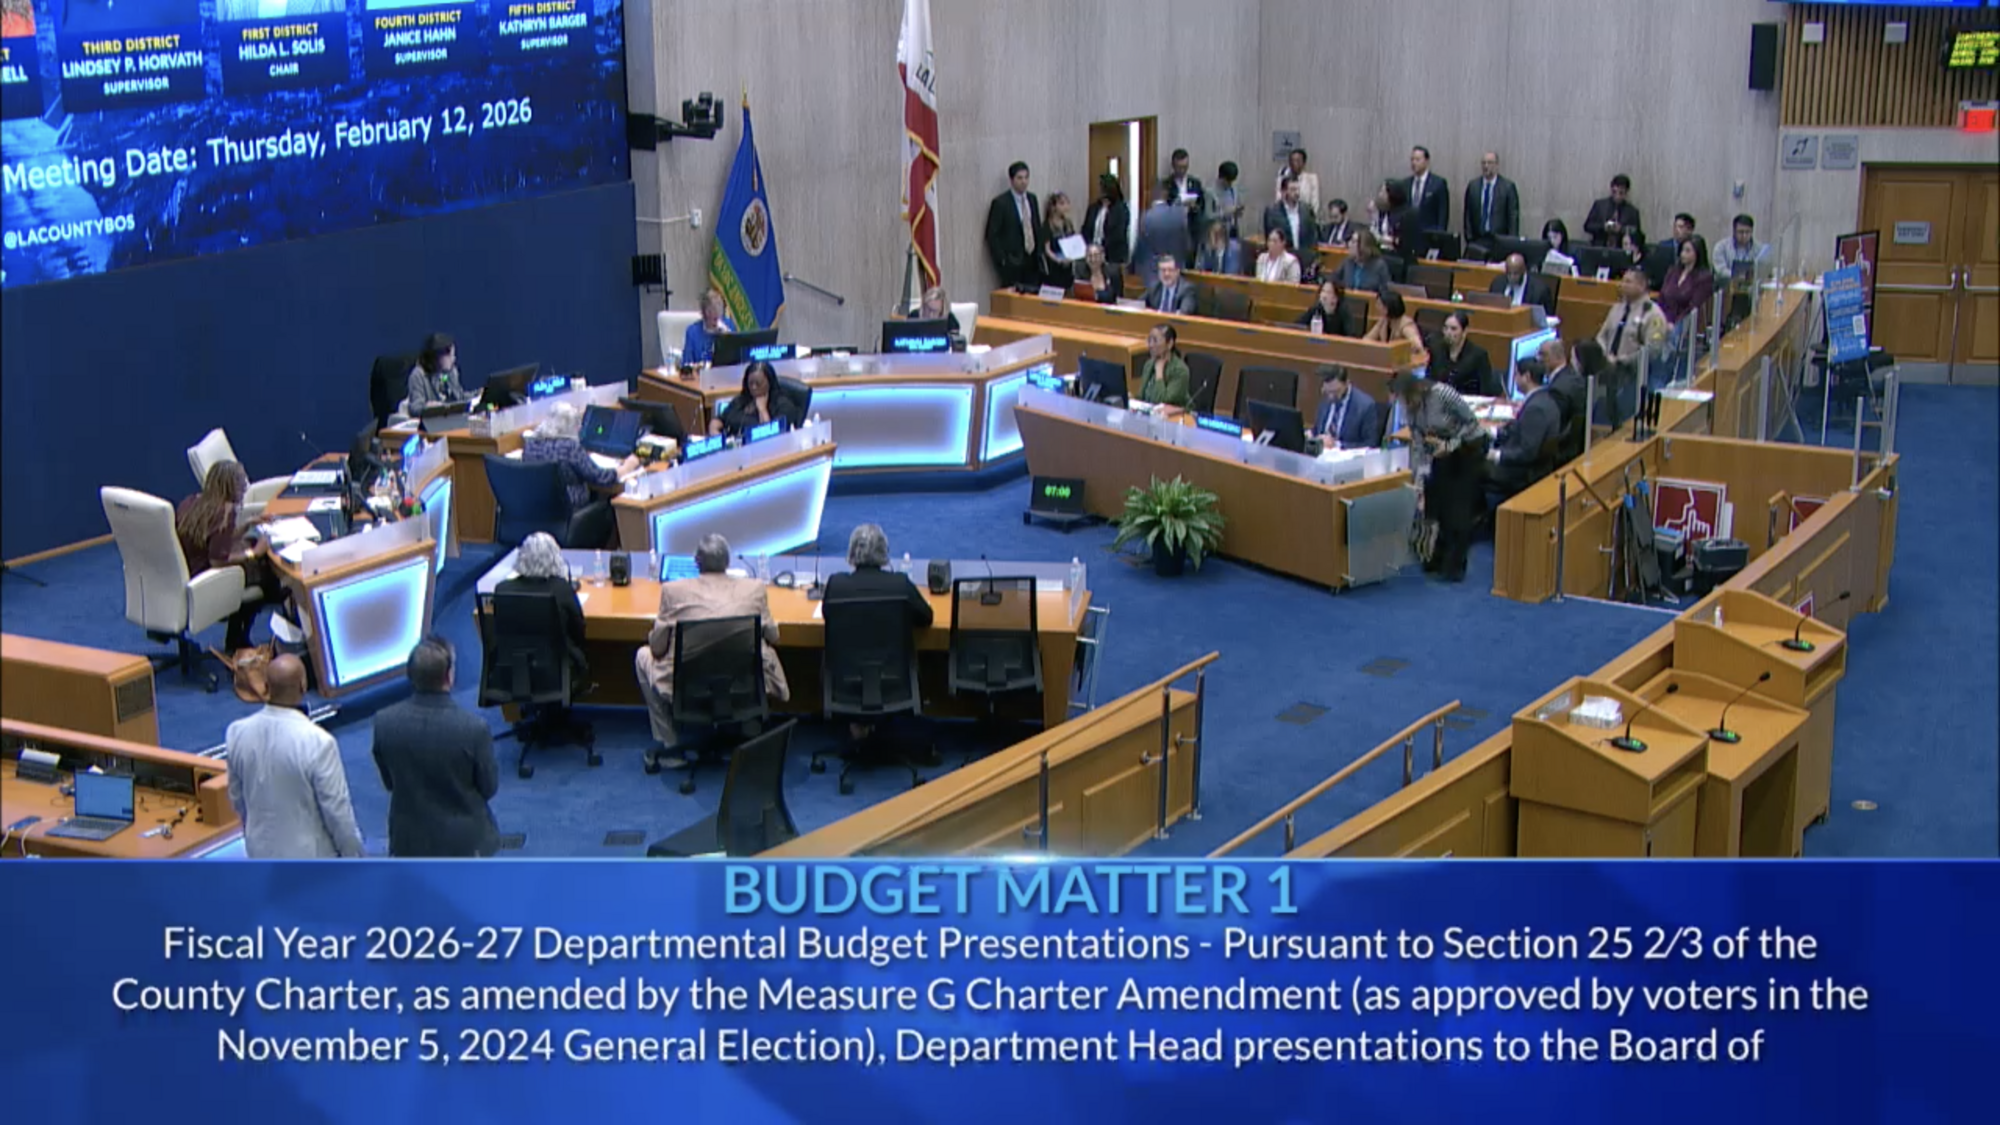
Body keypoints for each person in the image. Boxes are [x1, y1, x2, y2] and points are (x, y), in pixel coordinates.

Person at [633, 534, 788, 762]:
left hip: (689, 688)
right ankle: (750, 728)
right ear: (728, 561)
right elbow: (774, 636)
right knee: (760, 652)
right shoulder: (753, 589)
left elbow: (656, 649)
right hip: (742, 685)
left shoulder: (674, 591)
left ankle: (670, 746)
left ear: (697, 562)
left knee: (642, 656)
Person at [370, 636, 500, 858]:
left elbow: (390, 782)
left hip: (408, 841)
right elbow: (488, 788)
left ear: (410, 675)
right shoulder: (474, 729)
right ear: (448, 677)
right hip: (465, 845)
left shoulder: (383, 722)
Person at [226, 655, 364, 859]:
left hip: (259, 853)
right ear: (303, 685)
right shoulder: (319, 742)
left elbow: (238, 800)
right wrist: (355, 858)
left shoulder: (236, 733)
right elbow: (337, 813)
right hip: (310, 863)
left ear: (265, 686)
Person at [176, 460, 284, 651]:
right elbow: (217, 560)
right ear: (229, 486)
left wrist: (248, 523)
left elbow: (212, 538)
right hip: (208, 577)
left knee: (251, 545)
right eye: (241, 483)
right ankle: (237, 640)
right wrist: (253, 553)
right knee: (268, 574)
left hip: (188, 572)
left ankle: (235, 638)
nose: (245, 487)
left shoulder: (192, 502)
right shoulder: (225, 512)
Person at [1393, 370, 1487, 583]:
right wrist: (1418, 477)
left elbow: (1472, 423)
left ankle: (1455, 565)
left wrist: (1450, 446)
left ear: (1414, 391)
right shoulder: (1411, 409)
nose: (1402, 404)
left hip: (1466, 449)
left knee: (1457, 509)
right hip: (1439, 453)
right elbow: (1417, 444)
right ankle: (1436, 557)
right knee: (1436, 504)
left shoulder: (1442, 393)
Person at [523, 402, 641, 531]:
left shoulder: (530, 445)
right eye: (577, 425)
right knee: (608, 505)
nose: (579, 429)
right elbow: (600, 477)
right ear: (568, 427)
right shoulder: (569, 447)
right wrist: (626, 467)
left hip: (537, 513)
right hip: (570, 510)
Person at [493, 532, 588, 681]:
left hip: (513, 672)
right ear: (554, 559)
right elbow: (579, 630)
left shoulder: (502, 590)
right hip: (556, 672)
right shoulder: (561, 589)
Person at [823, 524, 933, 626]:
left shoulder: (835, 586)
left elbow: (827, 616)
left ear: (851, 552)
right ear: (884, 551)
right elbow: (926, 618)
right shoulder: (901, 585)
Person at [1487, 359, 1563, 497]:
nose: (1514, 379)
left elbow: (1526, 453)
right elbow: (1518, 430)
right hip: (1525, 466)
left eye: (1516, 375)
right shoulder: (1542, 398)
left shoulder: (1536, 409)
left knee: (1469, 466)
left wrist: (1495, 455)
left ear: (1526, 377)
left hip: (1519, 474)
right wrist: (1493, 432)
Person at [983, 161, 1044, 289]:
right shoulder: (1001, 203)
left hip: (1032, 261)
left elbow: (1036, 227)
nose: (1024, 182)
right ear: (1012, 180)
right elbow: (992, 235)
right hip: (1012, 262)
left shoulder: (1032, 199)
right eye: (1020, 178)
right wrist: (1003, 261)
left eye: (1026, 177)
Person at [714, 359, 809, 437]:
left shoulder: (783, 406)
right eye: (750, 383)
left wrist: (762, 410)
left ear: (769, 383)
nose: (754, 387)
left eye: (758, 383)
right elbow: (719, 420)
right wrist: (715, 434)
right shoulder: (741, 400)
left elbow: (771, 436)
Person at [1134, 184, 1193, 287]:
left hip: (1153, 273)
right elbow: (1187, 245)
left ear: (1152, 194)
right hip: (1176, 270)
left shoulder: (1146, 217)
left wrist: (1133, 269)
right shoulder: (1180, 215)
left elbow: (1141, 249)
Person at [1430, 311, 1499, 397]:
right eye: (1445, 328)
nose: (1448, 333)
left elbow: (1485, 391)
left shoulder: (1478, 355)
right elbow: (1430, 381)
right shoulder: (1436, 350)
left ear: (1465, 331)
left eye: (1453, 329)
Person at [1313, 365, 1381, 449]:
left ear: (1347, 383)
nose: (1331, 397)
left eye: (1336, 392)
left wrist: (1337, 445)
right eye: (1328, 392)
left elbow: (1371, 444)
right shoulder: (1325, 398)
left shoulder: (1365, 406)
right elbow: (1317, 430)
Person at [1661, 233, 1716, 333]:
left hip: (1685, 325)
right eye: (1682, 250)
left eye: (1687, 251)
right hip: (1664, 320)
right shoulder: (1673, 271)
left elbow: (1693, 308)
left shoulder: (1704, 278)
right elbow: (1662, 298)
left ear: (1697, 253)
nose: (1683, 254)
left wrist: (1674, 324)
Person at [1462, 151, 1519, 244]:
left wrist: (1511, 242)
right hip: (1477, 240)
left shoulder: (1508, 187)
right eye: (1483, 163)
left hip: (1499, 240)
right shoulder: (1473, 186)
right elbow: (1468, 215)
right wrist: (1469, 238)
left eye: (1489, 163)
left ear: (1496, 165)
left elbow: (1512, 217)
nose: (1486, 166)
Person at [1080, 173, 1131, 268]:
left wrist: (1100, 248)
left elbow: (1118, 235)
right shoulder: (1094, 208)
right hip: (1092, 256)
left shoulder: (1121, 209)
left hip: (1113, 256)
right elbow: (1086, 229)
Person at [406, 332, 466, 412]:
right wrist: (427, 406)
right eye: (450, 355)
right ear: (437, 356)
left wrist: (478, 394)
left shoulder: (451, 372)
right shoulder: (418, 375)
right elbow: (415, 408)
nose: (453, 359)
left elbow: (460, 397)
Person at [1262, 175, 1319, 259]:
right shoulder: (1272, 212)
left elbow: (1313, 236)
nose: (1297, 193)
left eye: (1298, 189)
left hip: (1304, 258)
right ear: (1284, 192)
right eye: (1293, 189)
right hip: (1283, 259)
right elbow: (1270, 238)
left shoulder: (1306, 210)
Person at [1136, 324, 1191, 410]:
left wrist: (1159, 373)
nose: (1150, 345)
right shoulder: (1149, 364)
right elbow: (1141, 397)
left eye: (1155, 341)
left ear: (1169, 344)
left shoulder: (1180, 370)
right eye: (1149, 340)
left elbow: (1162, 402)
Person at [1488, 252, 1555, 316]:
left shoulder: (1540, 292)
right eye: (1509, 273)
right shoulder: (1497, 284)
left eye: (1516, 274)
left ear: (1523, 270)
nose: (1512, 277)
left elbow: (1548, 319)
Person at [680, 289, 737, 365]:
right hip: (700, 374)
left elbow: (737, 359)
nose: (716, 322)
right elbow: (686, 364)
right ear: (704, 313)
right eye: (713, 317)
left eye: (719, 316)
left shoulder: (729, 326)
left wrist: (728, 338)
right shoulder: (692, 332)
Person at [1365, 290, 1426, 359]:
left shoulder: (1406, 324)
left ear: (1387, 308)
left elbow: (1417, 346)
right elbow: (1367, 339)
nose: (1376, 307)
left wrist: (1399, 351)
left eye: (1379, 305)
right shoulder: (1384, 321)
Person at [1584, 174, 1641, 248]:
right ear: (1611, 189)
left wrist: (1621, 229)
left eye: (1621, 193)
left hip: (1621, 248)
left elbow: (1637, 234)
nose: (1617, 196)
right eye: (1614, 192)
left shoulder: (1632, 212)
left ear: (1626, 193)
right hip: (1600, 246)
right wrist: (1603, 227)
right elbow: (1587, 226)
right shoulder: (1600, 205)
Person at [1403, 146, 1450, 232]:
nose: (1414, 163)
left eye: (1417, 160)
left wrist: (1439, 235)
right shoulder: (1406, 184)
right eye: (1412, 160)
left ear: (1427, 161)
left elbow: (1443, 214)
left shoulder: (1438, 184)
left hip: (1429, 233)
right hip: (1409, 234)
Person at [1711, 213, 1770, 279]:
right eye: (1741, 232)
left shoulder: (1759, 249)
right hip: (1727, 283)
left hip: (1751, 284)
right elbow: (1720, 270)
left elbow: (1763, 270)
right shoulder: (1721, 247)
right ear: (1734, 231)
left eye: (1747, 232)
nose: (1744, 236)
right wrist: (1739, 276)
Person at [1335, 229, 1392, 294]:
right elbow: (1334, 279)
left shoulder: (1379, 266)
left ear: (1363, 246)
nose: (1349, 244)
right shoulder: (1347, 262)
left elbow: (1385, 291)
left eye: (1353, 242)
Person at [1165, 148, 1205, 240]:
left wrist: (1195, 207)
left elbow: (1202, 204)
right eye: (1179, 167)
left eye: (1185, 167)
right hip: (1173, 228)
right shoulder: (1166, 185)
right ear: (1173, 166)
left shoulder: (1195, 183)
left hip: (1192, 228)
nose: (1182, 170)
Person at [1041, 191, 1078, 281]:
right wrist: (1058, 260)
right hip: (1054, 264)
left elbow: (1073, 242)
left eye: (1067, 203)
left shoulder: (1068, 223)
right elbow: (1047, 249)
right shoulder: (1047, 225)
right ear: (1054, 207)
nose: (1066, 206)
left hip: (1068, 263)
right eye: (1062, 203)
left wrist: (1072, 257)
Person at [1208, 161, 1245, 240]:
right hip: (1217, 234)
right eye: (1228, 181)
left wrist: (1238, 211)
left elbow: (1236, 209)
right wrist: (1225, 212)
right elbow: (1208, 217)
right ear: (1221, 178)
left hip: (1232, 231)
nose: (1230, 184)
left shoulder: (1233, 190)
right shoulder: (1210, 193)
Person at [1276, 148, 1320, 212]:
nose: (1294, 163)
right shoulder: (1282, 179)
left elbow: (1315, 203)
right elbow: (1278, 200)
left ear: (1304, 163)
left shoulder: (1311, 179)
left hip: (1306, 216)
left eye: (1297, 160)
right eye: (1292, 160)